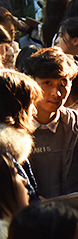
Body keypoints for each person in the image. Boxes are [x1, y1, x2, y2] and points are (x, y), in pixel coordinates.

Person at [24, 47, 78, 200]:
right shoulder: (15, 129)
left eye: (63, 83)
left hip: (71, 212)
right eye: (47, 83)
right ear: (31, 83)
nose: (57, 93)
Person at [0, 69, 42, 201]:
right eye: (31, 104)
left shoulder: (9, 151)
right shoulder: (5, 156)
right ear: (17, 107)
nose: (34, 111)